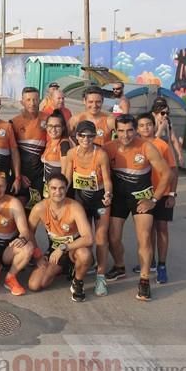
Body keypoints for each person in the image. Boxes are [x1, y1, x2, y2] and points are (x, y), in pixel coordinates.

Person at [105, 114, 170, 301]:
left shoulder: (146, 147)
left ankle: (144, 280)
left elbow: (166, 174)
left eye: (130, 130)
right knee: (113, 237)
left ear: (136, 130)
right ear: (116, 131)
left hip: (142, 198)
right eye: (121, 131)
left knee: (144, 238)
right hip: (119, 198)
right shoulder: (109, 148)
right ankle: (119, 266)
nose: (125, 135)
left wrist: (154, 200)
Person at [63, 120, 113, 296]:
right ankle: (78, 266)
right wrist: (59, 195)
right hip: (80, 199)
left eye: (90, 136)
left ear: (95, 136)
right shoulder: (71, 153)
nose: (86, 139)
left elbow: (107, 179)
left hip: (99, 200)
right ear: (76, 136)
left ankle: (101, 277)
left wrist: (108, 194)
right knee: (79, 236)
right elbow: (67, 178)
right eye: (82, 135)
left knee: (100, 238)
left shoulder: (100, 154)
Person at [27, 174, 94, 302]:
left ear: (66, 188)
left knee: (84, 254)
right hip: (54, 250)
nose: (58, 192)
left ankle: (78, 282)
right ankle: (65, 268)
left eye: (61, 188)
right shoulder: (39, 208)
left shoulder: (75, 207)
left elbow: (88, 238)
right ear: (47, 189)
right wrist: (38, 255)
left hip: (74, 248)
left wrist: (63, 248)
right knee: (35, 285)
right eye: (54, 188)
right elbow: (29, 232)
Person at [136, 112, 178, 284]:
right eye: (142, 125)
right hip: (145, 194)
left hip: (162, 194)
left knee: (161, 228)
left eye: (149, 124)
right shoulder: (135, 145)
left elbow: (173, 171)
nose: (146, 128)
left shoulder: (162, 145)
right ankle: (150, 261)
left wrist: (172, 194)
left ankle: (162, 265)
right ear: (137, 129)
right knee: (148, 230)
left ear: (154, 126)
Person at [10, 87, 48, 209]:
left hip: (40, 174)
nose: (32, 103)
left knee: (36, 211)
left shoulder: (48, 119)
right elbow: (11, 152)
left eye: (35, 99)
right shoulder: (14, 122)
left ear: (40, 100)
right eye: (28, 100)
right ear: (22, 102)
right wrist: (19, 174)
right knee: (18, 209)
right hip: (22, 173)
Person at [40, 109, 72, 196]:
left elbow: (66, 172)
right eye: (50, 126)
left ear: (63, 127)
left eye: (57, 126)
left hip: (58, 192)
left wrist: (60, 193)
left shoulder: (64, 144)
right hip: (49, 187)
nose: (53, 129)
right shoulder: (50, 142)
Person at [151, 97, 183, 166]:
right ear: (154, 113)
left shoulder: (167, 121)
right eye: (162, 113)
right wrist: (161, 128)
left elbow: (173, 139)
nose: (165, 115)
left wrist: (179, 155)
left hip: (164, 156)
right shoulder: (150, 123)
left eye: (167, 113)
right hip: (153, 157)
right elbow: (152, 142)